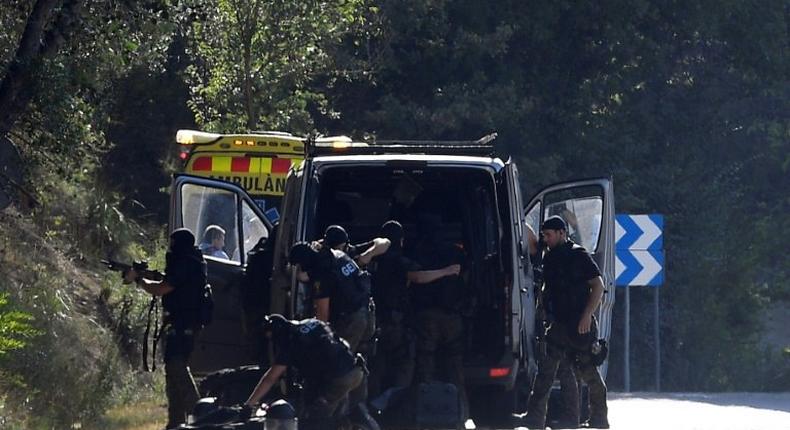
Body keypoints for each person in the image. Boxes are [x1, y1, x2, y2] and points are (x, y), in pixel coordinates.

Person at [514, 216, 609, 429]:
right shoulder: (550, 256)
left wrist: (586, 316)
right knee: (545, 373)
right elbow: (530, 239)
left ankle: (599, 419)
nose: (545, 239)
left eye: (549, 234)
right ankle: (535, 418)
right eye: (544, 235)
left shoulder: (578, 255)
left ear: (561, 233)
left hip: (579, 324)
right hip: (557, 326)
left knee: (589, 372)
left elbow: (598, 286)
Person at [357, 220, 462, 397]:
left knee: (376, 364)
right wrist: (447, 271)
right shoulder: (397, 260)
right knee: (406, 362)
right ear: (401, 240)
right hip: (393, 321)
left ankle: (373, 402)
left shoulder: (369, 260)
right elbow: (418, 277)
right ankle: (394, 401)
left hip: (373, 319)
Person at [126, 228, 207, 429]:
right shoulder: (192, 261)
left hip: (182, 325)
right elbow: (170, 282)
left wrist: (140, 280)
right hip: (183, 324)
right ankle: (176, 422)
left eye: (172, 242)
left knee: (177, 369)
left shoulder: (184, 262)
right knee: (172, 375)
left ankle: (203, 417)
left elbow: (163, 288)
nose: (170, 247)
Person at [244, 314, 366, 428]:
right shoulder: (313, 322)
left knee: (315, 418)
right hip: (355, 370)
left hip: (338, 380)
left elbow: (270, 378)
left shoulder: (290, 342)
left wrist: (249, 405)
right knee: (340, 414)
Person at [410, 213, 468, 419]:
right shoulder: (455, 251)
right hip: (452, 316)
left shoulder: (417, 251)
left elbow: (414, 278)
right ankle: (461, 414)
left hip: (427, 316)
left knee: (426, 365)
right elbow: (466, 278)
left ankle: (425, 415)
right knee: (455, 366)